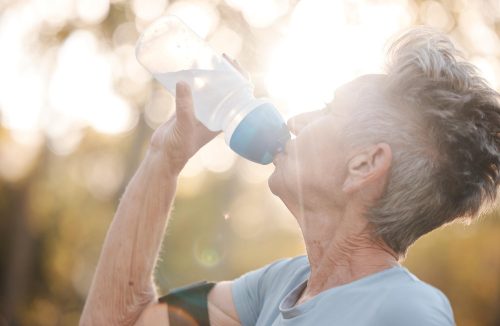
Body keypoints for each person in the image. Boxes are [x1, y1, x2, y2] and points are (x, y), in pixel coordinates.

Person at [80, 27, 500, 325]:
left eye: (328, 111)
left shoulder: (405, 312)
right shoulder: (278, 287)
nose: (297, 119)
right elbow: (119, 320)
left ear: (364, 166)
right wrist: (164, 159)